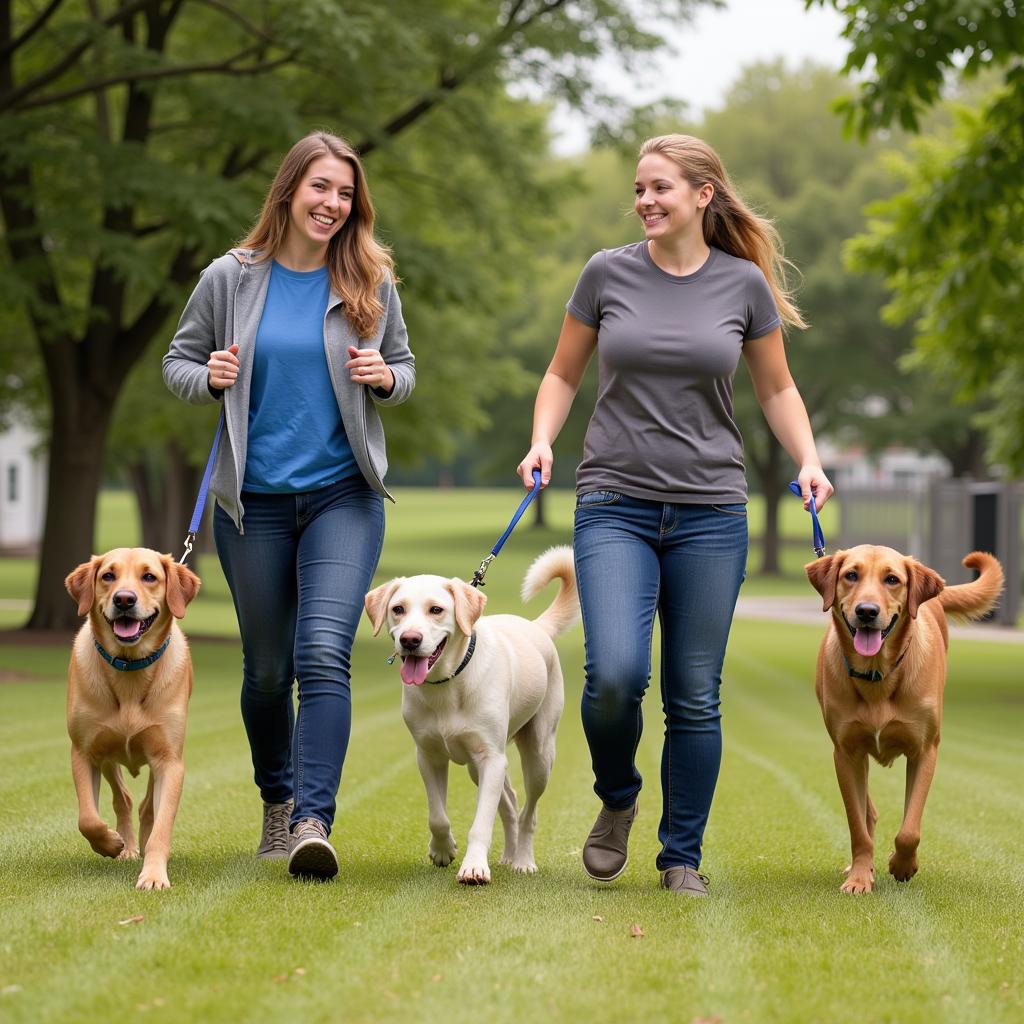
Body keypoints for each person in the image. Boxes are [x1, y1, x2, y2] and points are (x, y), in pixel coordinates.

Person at [516, 134, 833, 896]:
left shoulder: (743, 286)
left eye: (660, 188)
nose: (646, 201)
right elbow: (563, 371)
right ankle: (618, 796)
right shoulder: (606, 272)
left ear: (703, 196)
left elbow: (777, 389)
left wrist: (809, 458)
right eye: (639, 189)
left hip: (712, 513)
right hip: (614, 503)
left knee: (695, 690)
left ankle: (680, 854)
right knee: (615, 675)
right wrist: (540, 440)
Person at [163, 131, 415, 880]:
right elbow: (177, 363)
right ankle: (277, 799)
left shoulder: (370, 281)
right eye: (321, 189)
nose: (333, 205)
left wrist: (384, 378)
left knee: (321, 654)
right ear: (289, 191)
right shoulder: (229, 278)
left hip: (344, 497)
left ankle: (312, 819)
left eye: (345, 194)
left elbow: (404, 370)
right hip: (254, 507)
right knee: (269, 670)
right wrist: (206, 376)